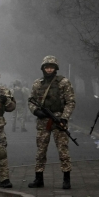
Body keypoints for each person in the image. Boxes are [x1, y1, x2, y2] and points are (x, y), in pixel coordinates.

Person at [27, 56, 76, 189]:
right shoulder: (38, 83)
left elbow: (70, 102)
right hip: (43, 122)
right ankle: (39, 178)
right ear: (43, 68)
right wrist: (36, 111)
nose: (49, 69)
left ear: (56, 68)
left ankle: (66, 179)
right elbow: (31, 101)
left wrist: (64, 118)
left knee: (63, 150)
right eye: (47, 67)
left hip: (59, 120)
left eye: (51, 67)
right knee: (41, 151)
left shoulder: (63, 83)